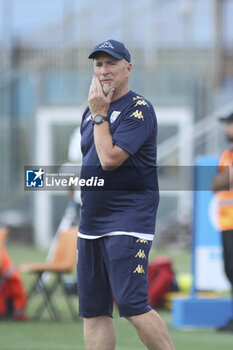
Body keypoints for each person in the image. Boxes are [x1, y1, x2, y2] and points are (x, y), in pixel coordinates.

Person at [77, 39, 175, 350]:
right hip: (90, 222)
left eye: (111, 63)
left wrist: (99, 114)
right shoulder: (92, 111)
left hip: (126, 220)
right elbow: (89, 158)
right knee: (93, 311)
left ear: (128, 68)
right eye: (98, 64)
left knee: (132, 305)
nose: (103, 71)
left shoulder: (138, 109)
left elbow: (109, 159)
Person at [212, 112, 233, 332]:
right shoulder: (227, 154)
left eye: (229, 124)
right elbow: (215, 184)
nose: (226, 129)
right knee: (230, 270)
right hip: (227, 221)